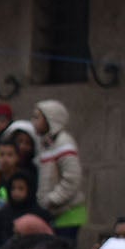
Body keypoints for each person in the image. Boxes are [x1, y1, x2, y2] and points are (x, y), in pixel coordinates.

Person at [31, 99, 87, 241]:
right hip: (54, 214)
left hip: (68, 214)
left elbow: (72, 178)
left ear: (50, 119)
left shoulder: (63, 142)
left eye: (37, 117)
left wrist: (51, 200)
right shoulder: (47, 144)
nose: (33, 121)